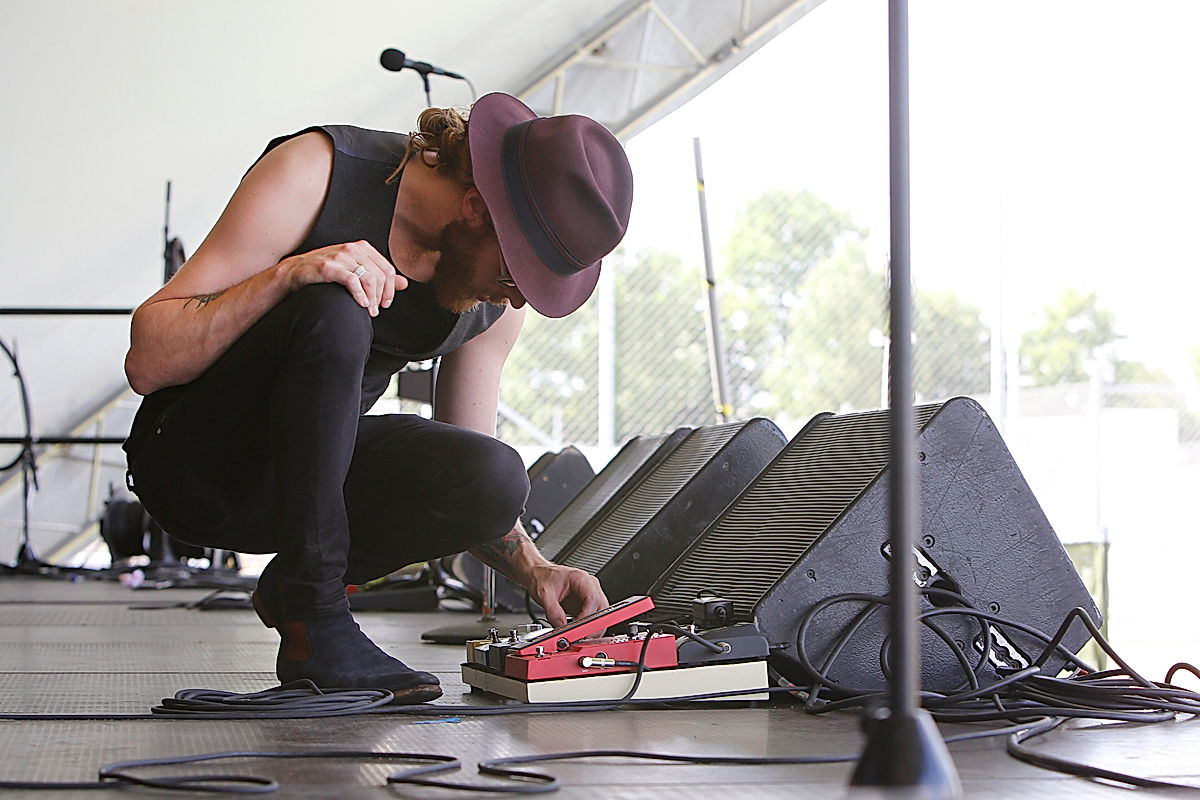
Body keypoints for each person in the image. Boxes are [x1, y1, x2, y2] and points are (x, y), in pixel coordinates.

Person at [121, 92, 633, 702]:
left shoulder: (493, 304)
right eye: (515, 275)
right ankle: (318, 617)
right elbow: (148, 360)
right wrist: (289, 275)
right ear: (475, 207)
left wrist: (535, 568)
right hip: (196, 468)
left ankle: (297, 589)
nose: (518, 299)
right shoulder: (317, 171)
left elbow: (464, 469)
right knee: (335, 303)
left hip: (302, 496)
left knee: (494, 477)